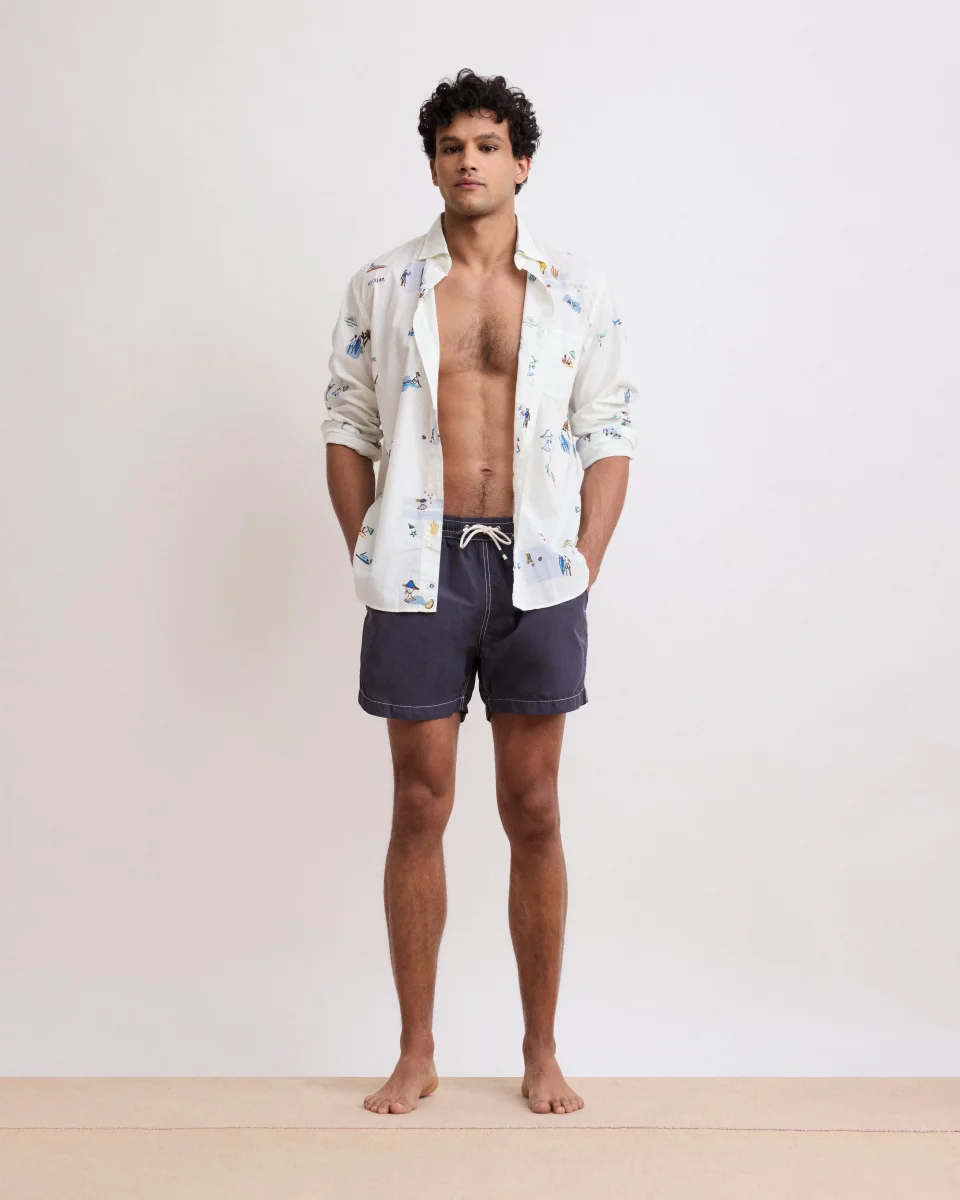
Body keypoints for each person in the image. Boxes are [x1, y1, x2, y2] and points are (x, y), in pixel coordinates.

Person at [323, 69, 638, 1116]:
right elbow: (348, 426)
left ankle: (541, 1051)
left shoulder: (575, 292)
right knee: (419, 801)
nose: (469, 160)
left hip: (537, 567)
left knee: (535, 806)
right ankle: (416, 1051)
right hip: (419, 568)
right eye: (452, 146)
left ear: (522, 163)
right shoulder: (384, 284)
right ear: (432, 166)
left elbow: (608, 432)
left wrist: (583, 559)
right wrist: (369, 552)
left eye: (488, 144)